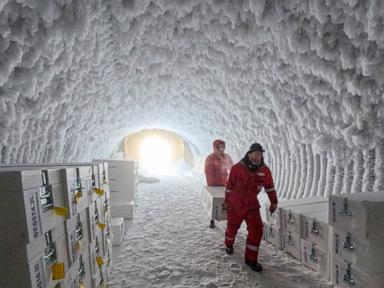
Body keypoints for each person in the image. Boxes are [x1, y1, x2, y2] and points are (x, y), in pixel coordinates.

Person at [223, 143, 278, 272]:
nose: (258, 156)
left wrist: (274, 202)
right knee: (232, 227)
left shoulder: (264, 171)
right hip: (236, 203)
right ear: (249, 154)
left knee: (257, 230)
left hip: (252, 205)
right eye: (255, 153)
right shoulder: (237, 168)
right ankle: (229, 244)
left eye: (260, 154)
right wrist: (226, 201)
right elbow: (229, 186)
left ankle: (251, 260)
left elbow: (269, 187)